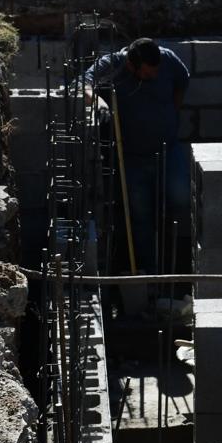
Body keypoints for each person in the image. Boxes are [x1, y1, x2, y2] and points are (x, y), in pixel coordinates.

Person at [82, 38, 190, 274]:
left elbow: (182, 82)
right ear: (132, 66)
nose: (154, 76)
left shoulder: (167, 59)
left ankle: (178, 264)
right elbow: (83, 83)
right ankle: (148, 272)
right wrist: (98, 102)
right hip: (133, 159)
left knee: (181, 198)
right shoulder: (114, 64)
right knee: (140, 217)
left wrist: (172, 115)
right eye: (148, 73)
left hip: (168, 150)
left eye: (156, 72)